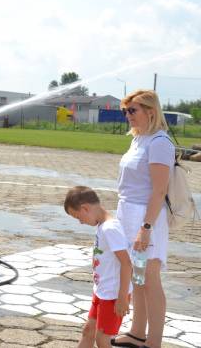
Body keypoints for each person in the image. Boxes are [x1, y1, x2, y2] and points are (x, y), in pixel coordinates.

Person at [111, 90, 174, 348]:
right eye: (125, 111)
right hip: (127, 212)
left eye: (132, 110)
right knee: (136, 276)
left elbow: (159, 191)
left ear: (150, 111)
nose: (127, 115)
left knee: (150, 277)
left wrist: (145, 228)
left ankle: (154, 342)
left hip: (146, 216)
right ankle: (137, 332)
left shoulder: (159, 142)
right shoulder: (138, 139)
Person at [64, 186, 132, 348]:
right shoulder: (102, 226)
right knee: (89, 331)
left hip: (113, 295)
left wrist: (122, 297)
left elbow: (126, 263)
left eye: (78, 217)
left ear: (85, 208)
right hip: (102, 291)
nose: (80, 222)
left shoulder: (110, 228)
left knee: (102, 340)